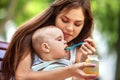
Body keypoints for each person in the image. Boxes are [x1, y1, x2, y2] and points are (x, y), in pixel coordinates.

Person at [2, 0, 97, 80]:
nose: (70, 28)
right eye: (64, 20)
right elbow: (22, 75)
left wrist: (82, 60)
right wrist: (70, 71)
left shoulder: (78, 48)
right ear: (54, 15)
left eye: (77, 24)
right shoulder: (34, 38)